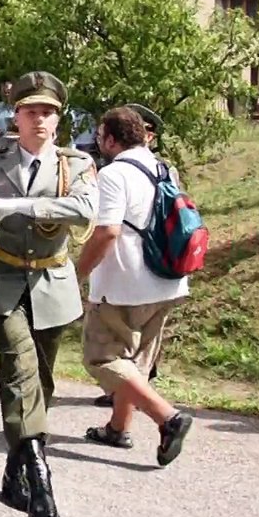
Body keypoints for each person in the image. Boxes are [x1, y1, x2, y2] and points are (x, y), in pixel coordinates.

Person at [0, 70, 97, 517]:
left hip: (52, 280)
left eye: (48, 112)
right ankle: (40, 473)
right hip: (0, 278)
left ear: (58, 119)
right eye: (31, 111)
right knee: (18, 365)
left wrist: (18, 207)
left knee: (42, 381)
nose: (39, 119)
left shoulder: (76, 165)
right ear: (15, 117)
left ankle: (15, 466)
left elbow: (85, 210)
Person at [76, 107, 193, 464]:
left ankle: (168, 418)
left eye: (100, 136)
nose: (99, 143)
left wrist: (77, 273)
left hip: (124, 285)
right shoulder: (163, 168)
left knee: (103, 358)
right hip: (167, 282)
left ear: (111, 139)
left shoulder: (114, 174)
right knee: (135, 363)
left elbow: (108, 231)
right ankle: (118, 428)